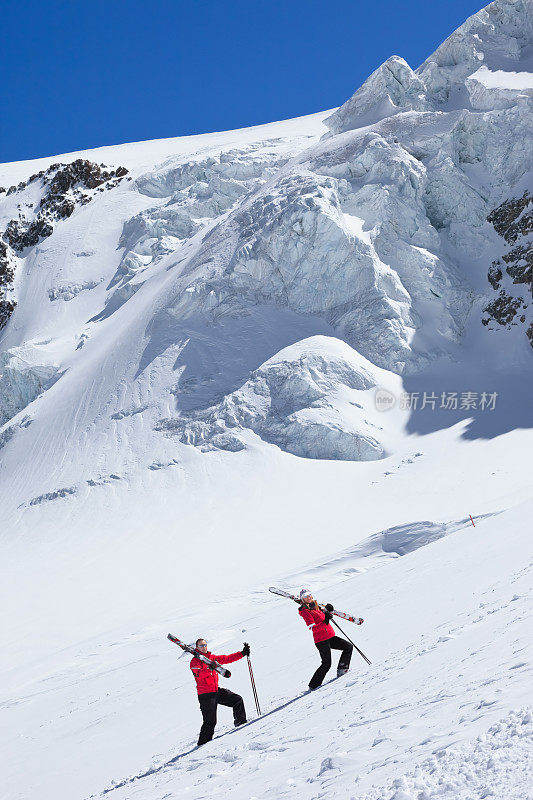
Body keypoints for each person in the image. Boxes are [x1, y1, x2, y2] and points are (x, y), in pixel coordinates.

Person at [190, 639, 250, 746]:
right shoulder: (194, 661)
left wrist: (242, 653)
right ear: (197, 647)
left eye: (205, 645)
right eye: (201, 645)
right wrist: (209, 668)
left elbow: (227, 658)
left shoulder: (212, 658)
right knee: (210, 722)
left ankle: (241, 725)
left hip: (216, 691)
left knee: (237, 700)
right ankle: (202, 745)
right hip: (205, 695)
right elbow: (199, 674)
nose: (203, 647)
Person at [298, 589, 354, 690]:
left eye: (309, 595)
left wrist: (329, 611)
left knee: (348, 647)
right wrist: (326, 620)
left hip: (330, 636)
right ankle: (313, 686)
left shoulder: (316, 606)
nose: (309, 597)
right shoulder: (305, 611)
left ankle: (342, 670)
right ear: (302, 599)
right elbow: (312, 627)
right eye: (306, 596)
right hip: (321, 640)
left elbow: (326, 616)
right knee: (326, 664)